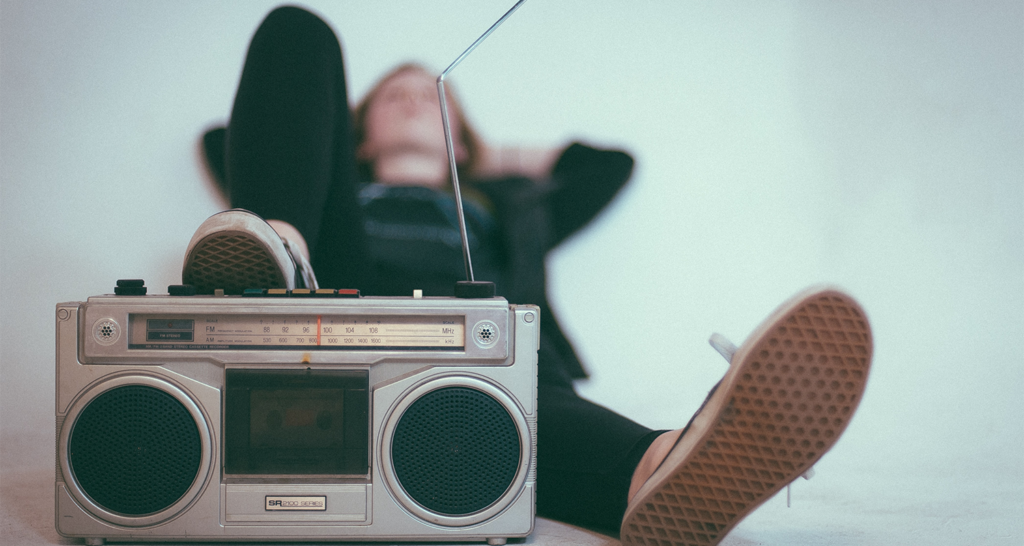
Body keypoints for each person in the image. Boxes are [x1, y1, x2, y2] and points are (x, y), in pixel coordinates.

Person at [186, 6, 873, 545]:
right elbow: (230, 139)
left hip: (480, 355)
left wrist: (486, 156)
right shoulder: (332, 193)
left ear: (461, 136)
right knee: (297, 29)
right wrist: (323, 169)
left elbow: (609, 165)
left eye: (430, 99)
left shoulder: (511, 207)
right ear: (356, 134)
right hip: (334, 310)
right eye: (390, 98)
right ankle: (274, 257)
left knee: (522, 382)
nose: (409, 101)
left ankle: (666, 468)